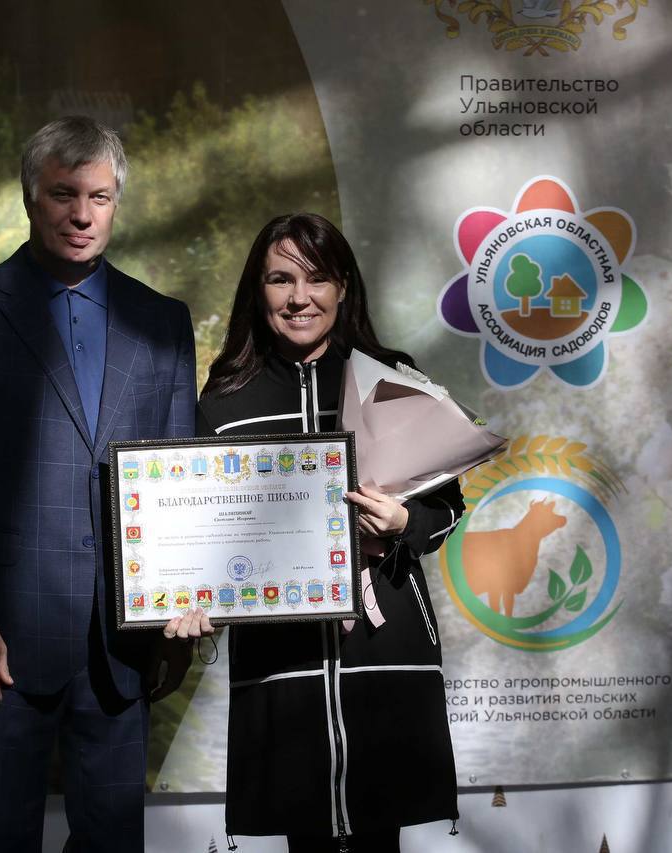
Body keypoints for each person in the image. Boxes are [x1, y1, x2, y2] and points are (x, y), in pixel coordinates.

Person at [0, 115, 197, 853]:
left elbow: (178, 477)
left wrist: (180, 599)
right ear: (30, 197)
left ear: (116, 202)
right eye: (64, 194)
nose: (82, 214)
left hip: (123, 649)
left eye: (100, 196)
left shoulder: (163, 321)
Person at [167, 213, 461, 852]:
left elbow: (448, 509)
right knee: (306, 834)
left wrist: (404, 522)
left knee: (381, 833)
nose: (300, 297)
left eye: (318, 278)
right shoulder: (223, 402)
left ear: (344, 287)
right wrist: (192, 596)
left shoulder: (391, 380)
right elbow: (201, 537)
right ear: (258, 290)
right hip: (280, 659)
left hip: (385, 646)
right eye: (281, 279)